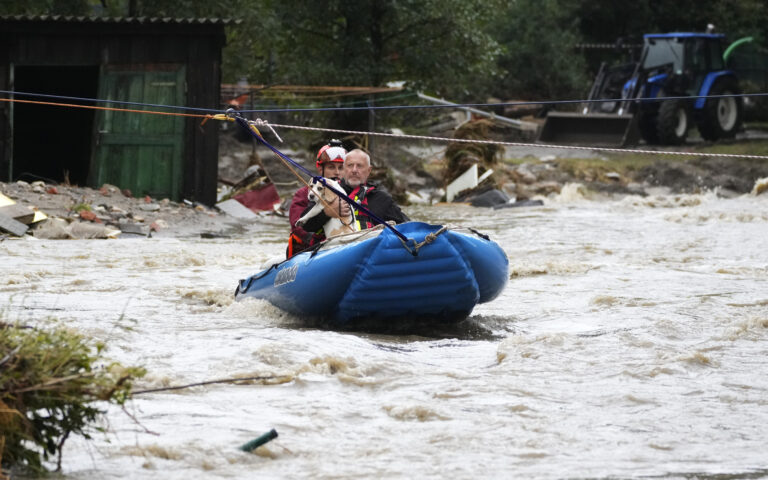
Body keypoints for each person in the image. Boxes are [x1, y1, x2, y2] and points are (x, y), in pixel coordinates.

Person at [298, 148, 409, 239]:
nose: (354, 170)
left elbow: (406, 226)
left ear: (369, 170)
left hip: (370, 251)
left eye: (359, 166)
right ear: (344, 169)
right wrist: (328, 212)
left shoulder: (382, 198)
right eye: (350, 165)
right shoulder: (327, 191)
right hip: (333, 250)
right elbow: (306, 225)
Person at [287, 140, 348, 258]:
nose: (337, 172)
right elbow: (297, 225)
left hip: (345, 245)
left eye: (341, 168)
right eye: (331, 167)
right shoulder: (304, 194)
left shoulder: (349, 193)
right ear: (320, 169)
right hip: (313, 251)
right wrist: (315, 241)